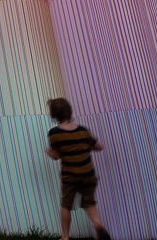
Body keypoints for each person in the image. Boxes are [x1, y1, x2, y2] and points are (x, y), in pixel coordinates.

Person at [45, 98, 111, 240]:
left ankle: (65, 236)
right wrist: (88, 145)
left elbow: (56, 156)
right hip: (88, 175)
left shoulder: (54, 134)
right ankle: (98, 226)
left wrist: (49, 152)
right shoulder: (83, 130)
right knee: (89, 203)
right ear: (70, 111)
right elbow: (99, 147)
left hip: (70, 177)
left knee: (66, 205)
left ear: (54, 115)